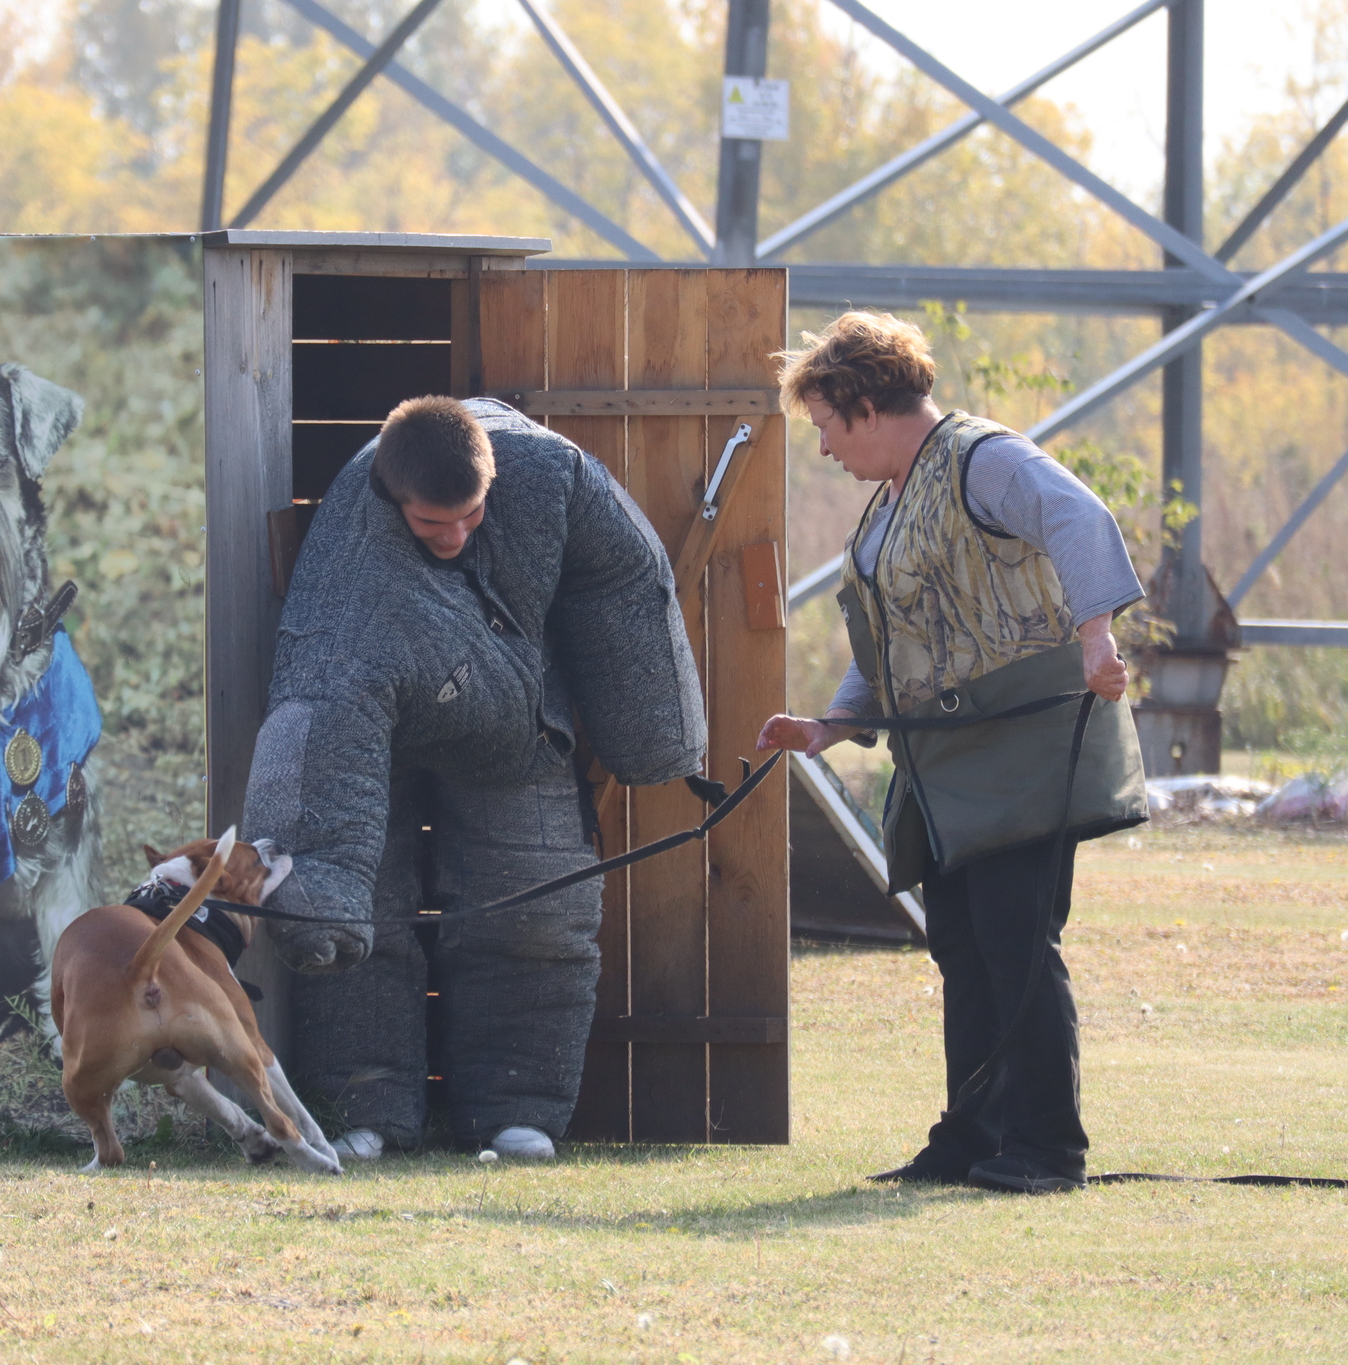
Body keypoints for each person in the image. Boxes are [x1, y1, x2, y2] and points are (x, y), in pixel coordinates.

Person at [242, 394, 706, 1161]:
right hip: (373, 734)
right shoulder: (353, 595)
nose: (455, 535)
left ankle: (516, 1109)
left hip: (512, 725)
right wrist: (321, 891)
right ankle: (364, 1103)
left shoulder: (550, 476)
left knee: (537, 905)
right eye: (432, 524)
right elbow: (316, 719)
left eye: (471, 514)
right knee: (364, 919)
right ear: (395, 503)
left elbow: (624, 576)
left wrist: (656, 731)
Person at [757, 312, 1148, 1194]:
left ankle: (1048, 1146)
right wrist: (831, 724)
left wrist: (1097, 639)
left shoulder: (984, 459)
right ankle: (971, 1137)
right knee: (965, 948)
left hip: (1024, 747)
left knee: (1017, 940)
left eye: (823, 423)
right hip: (947, 766)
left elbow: (1079, 516)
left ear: (862, 403)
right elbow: (894, 638)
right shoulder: (894, 493)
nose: (821, 447)